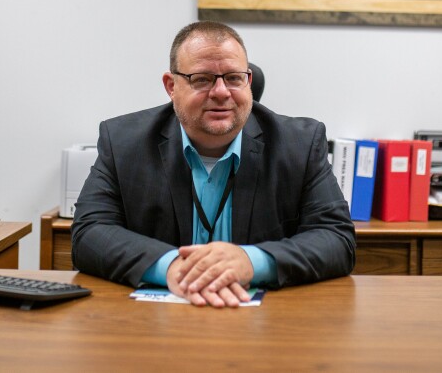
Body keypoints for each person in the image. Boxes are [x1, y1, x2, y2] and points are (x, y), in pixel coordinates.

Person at [71, 21, 355, 307]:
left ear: (249, 81)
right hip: (155, 326)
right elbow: (89, 233)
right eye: (202, 79)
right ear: (171, 86)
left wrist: (251, 261)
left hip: (264, 327)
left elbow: (337, 239)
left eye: (233, 78)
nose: (221, 92)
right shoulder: (123, 142)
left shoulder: (299, 145)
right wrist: (171, 267)